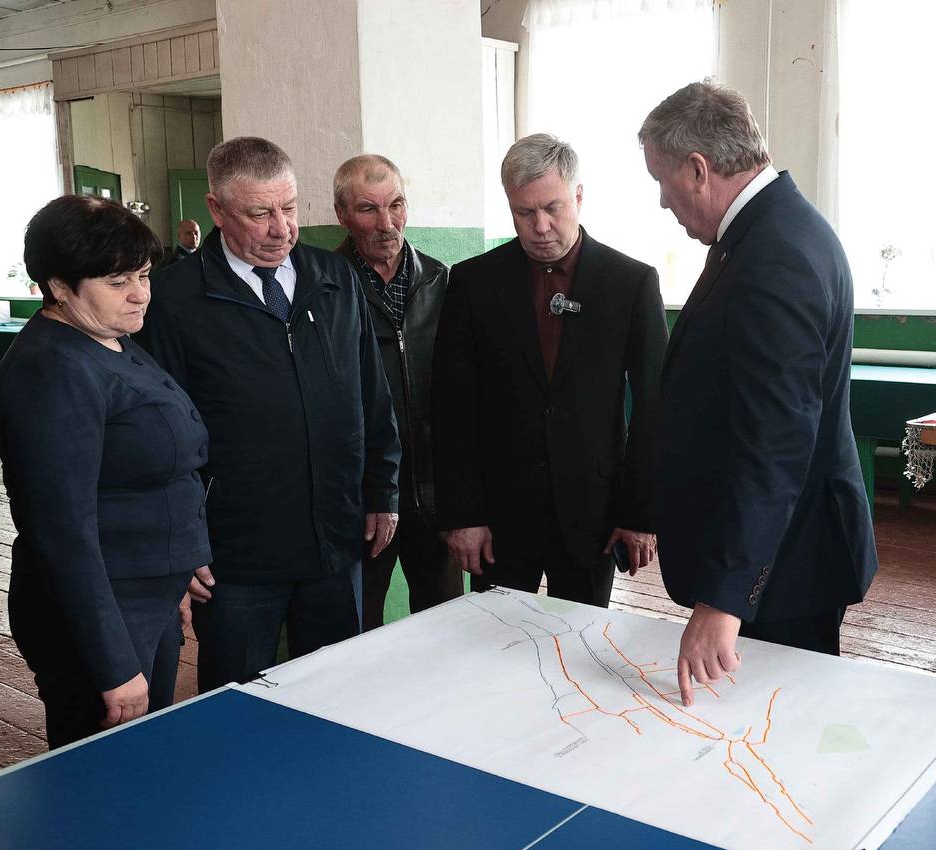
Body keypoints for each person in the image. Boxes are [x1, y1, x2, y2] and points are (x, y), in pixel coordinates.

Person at [640, 81, 877, 706]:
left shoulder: (776, 257)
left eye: (662, 180)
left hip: (786, 568)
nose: (662, 200)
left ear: (698, 169)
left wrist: (724, 599)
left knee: (776, 734)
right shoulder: (767, 232)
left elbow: (776, 443)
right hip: (780, 555)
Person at [139, 137, 401, 692]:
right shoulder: (174, 299)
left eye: (289, 207)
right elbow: (161, 442)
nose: (281, 228)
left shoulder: (335, 278)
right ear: (216, 209)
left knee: (336, 691)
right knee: (237, 698)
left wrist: (383, 490)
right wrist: (182, 543)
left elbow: (372, 397)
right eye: (260, 213)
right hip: (235, 556)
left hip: (336, 538)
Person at [0, 195, 211, 747]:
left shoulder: (110, 338)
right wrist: (112, 664)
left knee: (142, 762)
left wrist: (171, 568)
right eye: (117, 282)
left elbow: (142, 473)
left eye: (143, 275)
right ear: (58, 286)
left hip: (143, 595)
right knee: (103, 772)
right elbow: (62, 534)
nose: (140, 293)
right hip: (97, 617)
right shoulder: (50, 371)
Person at [433, 134, 668, 607]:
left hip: (594, 515)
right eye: (524, 212)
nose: (540, 226)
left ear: (578, 197)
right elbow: (452, 405)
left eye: (552, 208)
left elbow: (655, 406)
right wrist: (463, 516)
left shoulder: (631, 283)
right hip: (499, 518)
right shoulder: (473, 282)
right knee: (495, 640)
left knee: (583, 644)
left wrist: (640, 514)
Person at [333, 155, 462, 627]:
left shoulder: (441, 280)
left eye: (396, 205)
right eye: (368, 209)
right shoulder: (326, 286)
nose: (387, 223)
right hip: (362, 499)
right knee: (358, 629)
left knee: (445, 626)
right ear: (342, 215)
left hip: (434, 494)